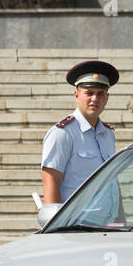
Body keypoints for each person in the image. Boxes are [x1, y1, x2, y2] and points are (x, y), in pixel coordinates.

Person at [40, 60, 120, 205]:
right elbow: (50, 179)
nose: (95, 99)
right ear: (76, 95)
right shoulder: (63, 133)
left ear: (107, 98)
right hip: (76, 223)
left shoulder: (108, 134)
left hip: (106, 222)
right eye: (89, 93)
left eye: (100, 94)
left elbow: (112, 182)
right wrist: (55, 224)